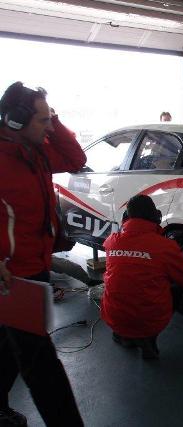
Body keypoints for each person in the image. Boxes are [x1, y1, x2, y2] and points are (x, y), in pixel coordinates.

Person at [0, 82, 85, 426]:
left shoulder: (35, 151)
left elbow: (76, 158)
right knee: (41, 362)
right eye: (41, 120)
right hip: (12, 275)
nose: (48, 128)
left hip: (36, 265)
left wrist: (54, 119)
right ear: (16, 121)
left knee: (8, 346)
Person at [101, 195, 183, 360]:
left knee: (120, 283)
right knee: (175, 289)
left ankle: (125, 336)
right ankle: (148, 337)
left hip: (112, 316)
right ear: (156, 217)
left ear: (126, 218)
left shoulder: (111, 242)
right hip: (149, 320)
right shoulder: (164, 247)